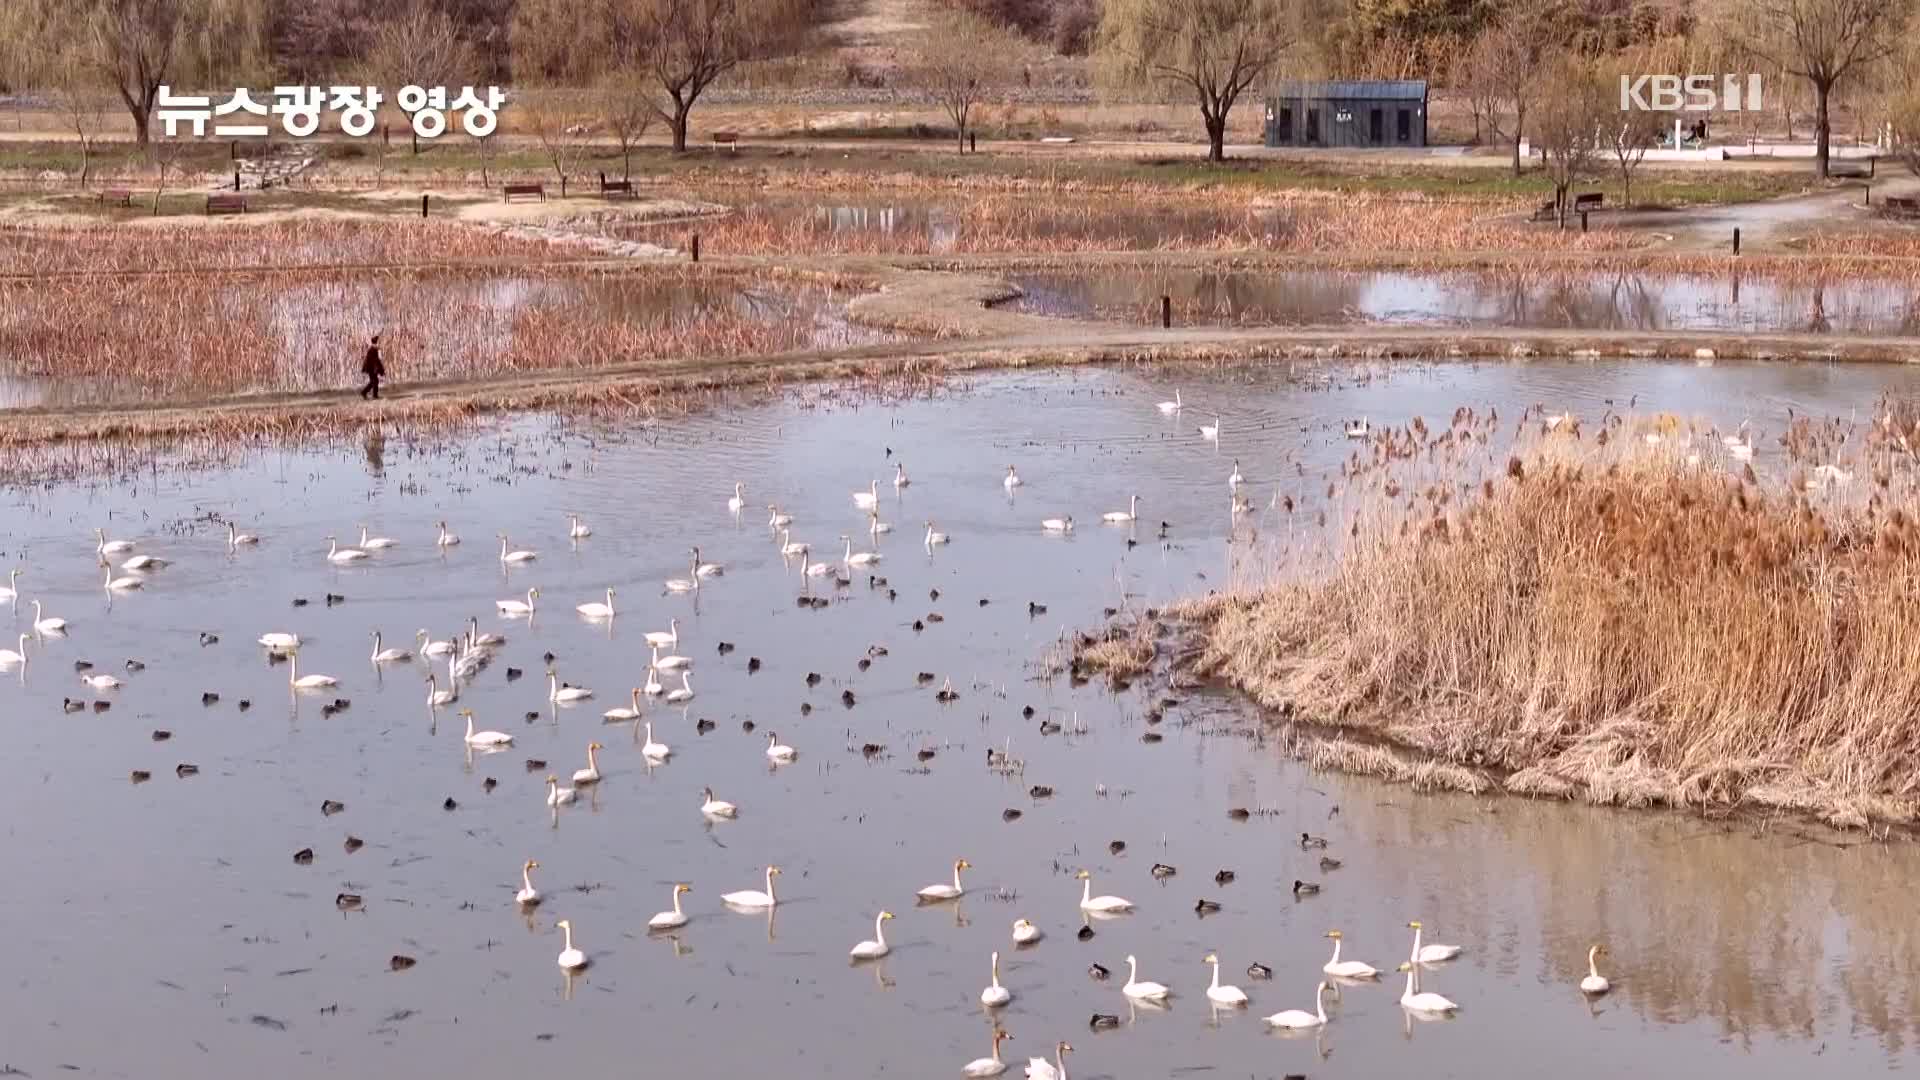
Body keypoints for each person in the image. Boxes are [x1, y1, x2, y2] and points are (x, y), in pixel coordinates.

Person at [359, 334, 385, 400]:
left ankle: (368, 393)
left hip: (370, 368)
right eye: (379, 341)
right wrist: (380, 370)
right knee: (375, 381)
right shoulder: (376, 349)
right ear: (377, 342)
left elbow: (375, 360)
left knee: (374, 381)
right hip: (372, 368)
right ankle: (368, 393)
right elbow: (377, 360)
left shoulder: (372, 348)